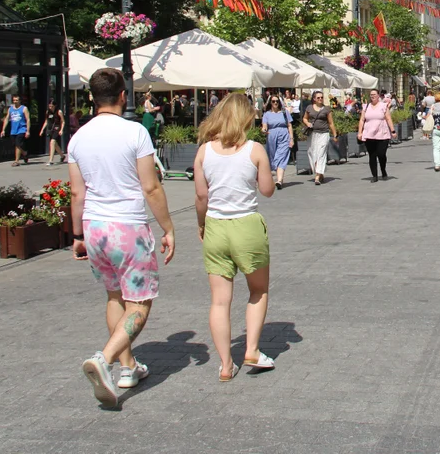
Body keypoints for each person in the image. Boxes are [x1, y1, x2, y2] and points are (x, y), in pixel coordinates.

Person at [68, 68, 175, 407]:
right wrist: (168, 227)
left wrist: (77, 234)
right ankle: (106, 358)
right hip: (127, 225)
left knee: (114, 296)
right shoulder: (135, 132)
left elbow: (76, 192)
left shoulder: (78, 138)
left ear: (91, 97)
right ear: (123, 96)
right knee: (140, 302)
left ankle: (128, 367)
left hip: (95, 227)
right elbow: (150, 185)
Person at [193, 93, 276, 381]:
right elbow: (267, 190)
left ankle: (226, 364)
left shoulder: (204, 151)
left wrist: (201, 224)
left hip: (216, 225)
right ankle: (251, 349)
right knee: (258, 290)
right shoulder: (254, 150)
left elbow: (201, 196)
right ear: (245, 118)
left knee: (219, 300)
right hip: (247, 225)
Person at [357, 89, 396, 182]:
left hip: (382, 133)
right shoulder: (366, 107)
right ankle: (374, 175)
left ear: (378, 96)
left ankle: (383, 170)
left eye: (374, 94)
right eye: (371, 94)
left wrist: (393, 131)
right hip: (369, 134)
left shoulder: (383, 106)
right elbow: (362, 120)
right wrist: (360, 132)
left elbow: (388, 118)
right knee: (372, 155)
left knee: (381, 154)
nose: (372, 96)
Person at [302, 91, 337, 185]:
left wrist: (334, 134)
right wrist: (307, 123)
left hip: (324, 133)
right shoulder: (309, 108)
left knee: (321, 153)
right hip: (312, 134)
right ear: (314, 99)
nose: (320, 99)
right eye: (318, 97)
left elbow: (331, 123)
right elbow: (304, 118)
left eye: (321, 97)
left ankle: (317, 177)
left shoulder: (326, 109)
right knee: (312, 153)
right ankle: (320, 173)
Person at [261, 95, 293, 190]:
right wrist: (263, 130)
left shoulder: (284, 113)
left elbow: (289, 125)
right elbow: (264, 126)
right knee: (273, 157)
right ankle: (280, 179)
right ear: (270, 102)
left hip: (284, 136)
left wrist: (291, 139)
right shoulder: (267, 114)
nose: (275, 103)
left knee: (281, 156)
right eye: (273, 101)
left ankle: (279, 180)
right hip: (272, 137)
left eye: (277, 101)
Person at [0, 94, 30, 166]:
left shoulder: (24, 108)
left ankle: (16, 161)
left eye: (17, 100)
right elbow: (7, 119)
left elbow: (28, 119)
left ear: (20, 101)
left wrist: (28, 131)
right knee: (16, 144)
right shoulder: (10, 109)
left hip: (22, 129)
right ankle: (25, 153)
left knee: (18, 144)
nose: (15, 102)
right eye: (14, 100)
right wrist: (3, 130)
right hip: (13, 130)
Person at [39, 100, 66, 166]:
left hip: (57, 128)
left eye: (52, 106)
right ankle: (62, 156)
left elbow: (63, 121)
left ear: (55, 106)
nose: (50, 107)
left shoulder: (59, 112)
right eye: (49, 106)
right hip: (51, 129)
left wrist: (61, 130)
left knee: (52, 142)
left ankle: (51, 160)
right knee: (55, 144)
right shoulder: (48, 112)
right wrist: (42, 130)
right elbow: (46, 121)